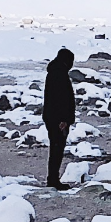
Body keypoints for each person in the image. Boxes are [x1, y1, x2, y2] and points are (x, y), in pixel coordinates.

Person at [43, 48, 76, 188]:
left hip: (53, 117)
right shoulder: (59, 74)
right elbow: (60, 99)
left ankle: (53, 179)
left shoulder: (55, 72)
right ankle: (53, 180)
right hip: (57, 119)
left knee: (56, 149)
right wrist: (63, 119)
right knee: (57, 149)